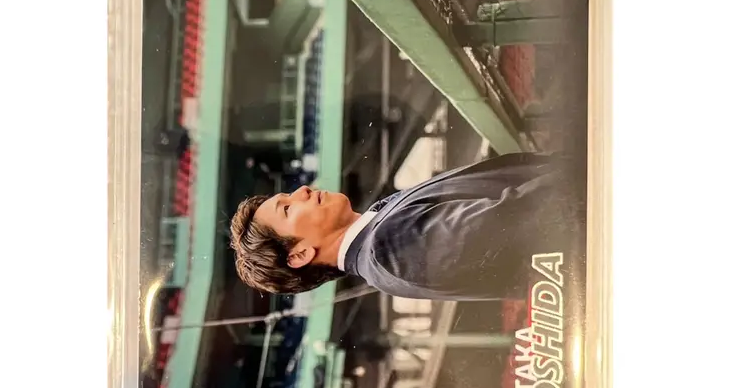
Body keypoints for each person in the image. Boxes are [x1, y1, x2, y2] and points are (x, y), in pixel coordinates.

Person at [230, 152, 583, 301]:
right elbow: (539, 218)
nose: (303, 191)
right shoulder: (386, 250)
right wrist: (594, 162)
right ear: (300, 255)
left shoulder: (379, 233)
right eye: (288, 208)